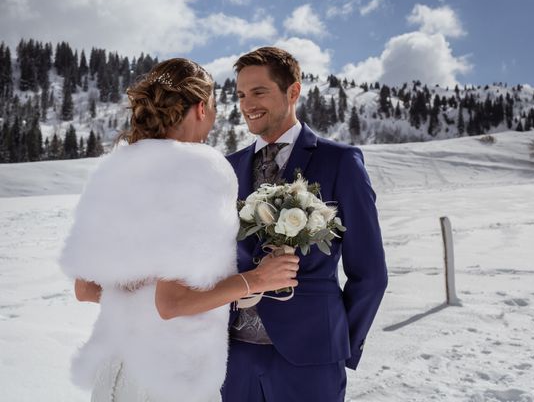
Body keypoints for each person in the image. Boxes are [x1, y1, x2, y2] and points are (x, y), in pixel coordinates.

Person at [59, 58, 299, 402]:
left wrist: (146, 288)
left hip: (116, 370)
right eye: (215, 105)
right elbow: (173, 303)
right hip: (172, 374)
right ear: (201, 108)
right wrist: (258, 280)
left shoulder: (113, 171)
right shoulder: (200, 169)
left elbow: (86, 288)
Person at [222, 47, 388, 402]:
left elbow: (370, 272)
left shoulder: (340, 161)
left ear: (293, 91)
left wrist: (338, 345)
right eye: (240, 94)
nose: (247, 103)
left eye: (259, 91)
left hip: (311, 358)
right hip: (233, 358)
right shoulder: (227, 168)